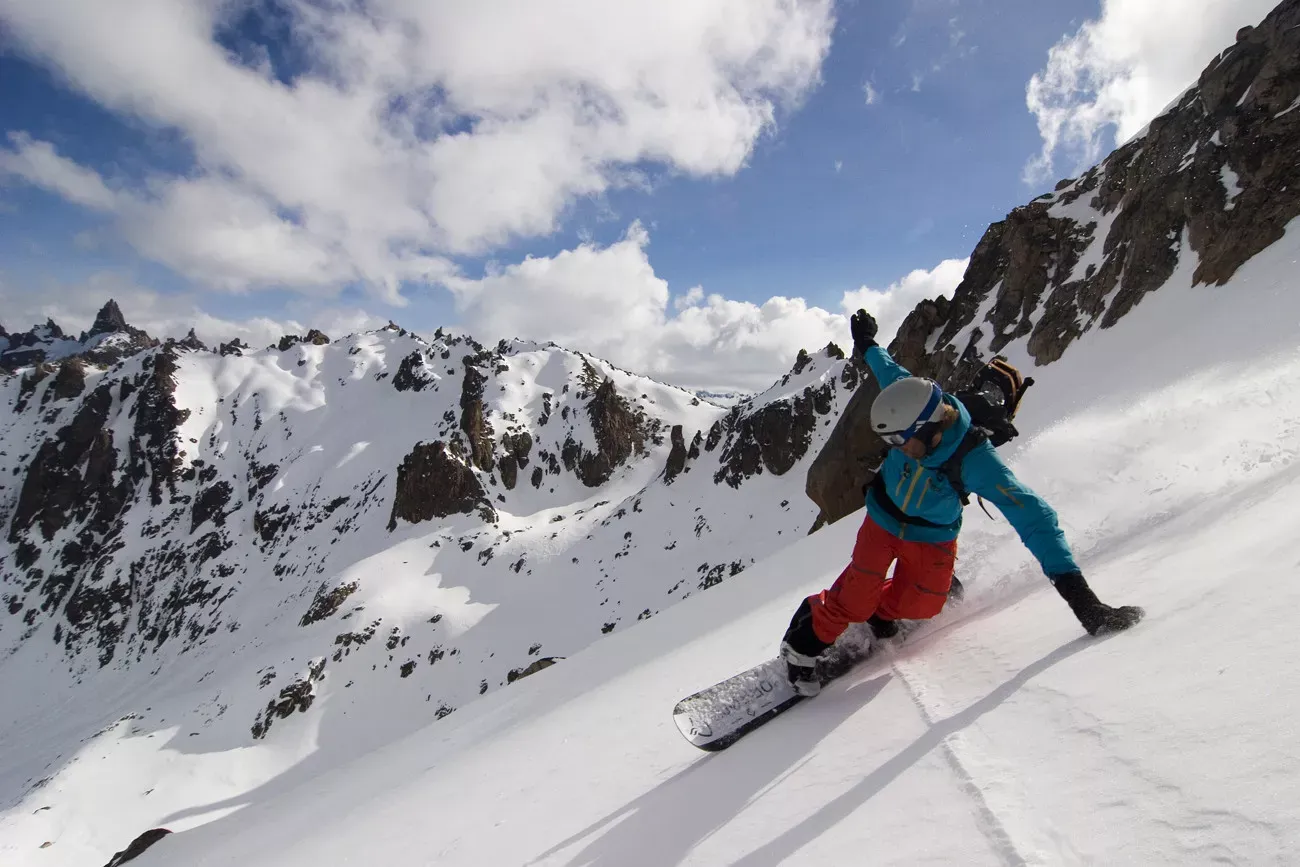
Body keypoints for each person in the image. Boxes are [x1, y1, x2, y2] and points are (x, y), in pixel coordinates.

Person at [780, 309, 1143, 696]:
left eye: (900, 441)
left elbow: (1035, 518)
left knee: (922, 606)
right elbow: (888, 372)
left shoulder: (976, 461)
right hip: (883, 520)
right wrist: (867, 344)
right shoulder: (911, 397)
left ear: (930, 427)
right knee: (854, 598)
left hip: (932, 535)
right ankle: (800, 649)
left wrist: (1084, 603)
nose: (895, 450)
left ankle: (884, 611)